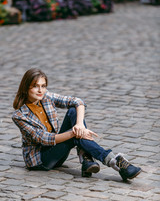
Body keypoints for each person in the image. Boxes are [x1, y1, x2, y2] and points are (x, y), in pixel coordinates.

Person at [12, 68, 141, 180]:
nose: (40, 90)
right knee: (75, 135)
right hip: (41, 160)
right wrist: (75, 132)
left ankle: (87, 160)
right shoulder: (19, 116)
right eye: (35, 86)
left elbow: (77, 101)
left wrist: (80, 125)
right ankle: (113, 161)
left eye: (43, 86)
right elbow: (45, 139)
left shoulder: (46, 97)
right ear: (26, 87)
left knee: (73, 111)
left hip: (58, 152)